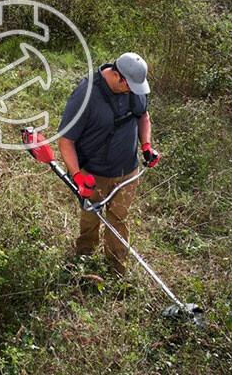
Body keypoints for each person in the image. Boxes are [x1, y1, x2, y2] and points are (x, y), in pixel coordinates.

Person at [57, 52, 159, 275]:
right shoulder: (85, 96)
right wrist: (78, 177)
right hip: (94, 175)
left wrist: (147, 146)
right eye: (130, 86)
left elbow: (143, 116)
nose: (133, 90)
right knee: (91, 218)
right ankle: (82, 262)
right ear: (116, 75)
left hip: (127, 172)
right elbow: (66, 141)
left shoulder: (135, 90)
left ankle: (115, 269)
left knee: (119, 219)